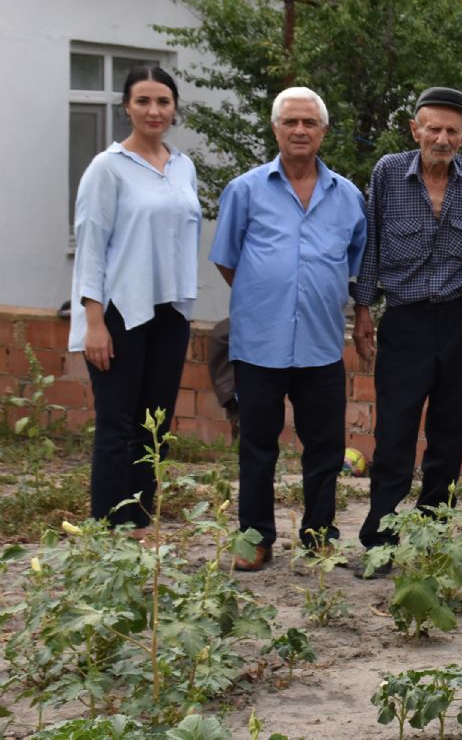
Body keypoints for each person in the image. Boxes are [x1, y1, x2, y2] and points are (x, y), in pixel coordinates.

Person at [353, 87, 462, 571]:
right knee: (395, 434)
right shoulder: (388, 173)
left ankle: (434, 538)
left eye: (452, 131)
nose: (442, 139)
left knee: (449, 435)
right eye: (434, 128)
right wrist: (363, 308)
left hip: (460, 320)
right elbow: (371, 245)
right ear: (416, 130)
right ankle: (380, 541)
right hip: (404, 320)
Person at [209, 87, 367, 572]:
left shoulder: (347, 197)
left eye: (309, 123)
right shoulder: (246, 190)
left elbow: (356, 266)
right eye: (290, 122)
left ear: (322, 131)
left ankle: (319, 535)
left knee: (325, 449)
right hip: (259, 344)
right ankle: (255, 538)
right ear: (275, 128)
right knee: (258, 446)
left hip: (321, 345)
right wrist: (267, 296)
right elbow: (228, 260)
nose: (300, 131)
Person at [69, 65, 200, 533]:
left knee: (154, 428)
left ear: (174, 108)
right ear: (127, 106)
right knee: (116, 428)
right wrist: (93, 321)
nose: (153, 110)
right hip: (121, 312)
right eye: (143, 101)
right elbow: (90, 244)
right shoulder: (108, 168)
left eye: (163, 102)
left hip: (170, 312)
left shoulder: (183, 166)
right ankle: (108, 531)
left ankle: (141, 523)